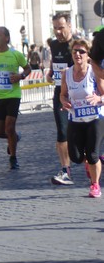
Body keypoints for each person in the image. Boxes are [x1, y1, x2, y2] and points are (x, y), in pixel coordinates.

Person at [60, 39, 104, 198]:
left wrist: (99, 100)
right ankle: (95, 162)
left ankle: (95, 184)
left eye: (82, 52)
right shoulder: (67, 73)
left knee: (92, 154)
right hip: (76, 119)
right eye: (75, 51)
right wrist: (64, 102)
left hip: (95, 118)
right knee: (76, 157)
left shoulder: (95, 71)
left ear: (88, 55)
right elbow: (62, 94)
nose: (78, 54)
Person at [0, 26, 30, 170]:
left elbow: (28, 68)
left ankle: (13, 158)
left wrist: (20, 76)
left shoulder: (16, 54)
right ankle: (14, 138)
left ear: (6, 38)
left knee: (9, 127)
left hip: (13, 95)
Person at [47, 12, 74, 185]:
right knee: (62, 131)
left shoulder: (78, 44)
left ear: (69, 26)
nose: (58, 32)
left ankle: (94, 162)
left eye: (61, 28)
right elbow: (53, 65)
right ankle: (66, 171)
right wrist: (50, 73)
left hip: (79, 95)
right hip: (60, 94)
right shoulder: (54, 45)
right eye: (55, 28)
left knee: (84, 133)